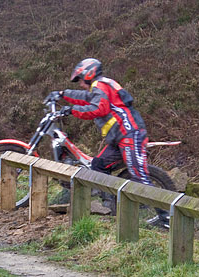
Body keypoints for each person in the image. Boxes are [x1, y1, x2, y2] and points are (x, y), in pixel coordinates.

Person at [48, 58, 169, 228]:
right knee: (98, 165)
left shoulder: (100, 85)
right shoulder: (99, 86)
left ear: (88, 74)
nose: (81, 84)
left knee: (139, 175)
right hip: (118, 138)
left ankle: (167, 218)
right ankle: (109, 209)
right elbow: (85, 97)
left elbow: (98, 109)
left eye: (81, 80)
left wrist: (71, 110)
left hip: (130, 134)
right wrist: (62, 94)